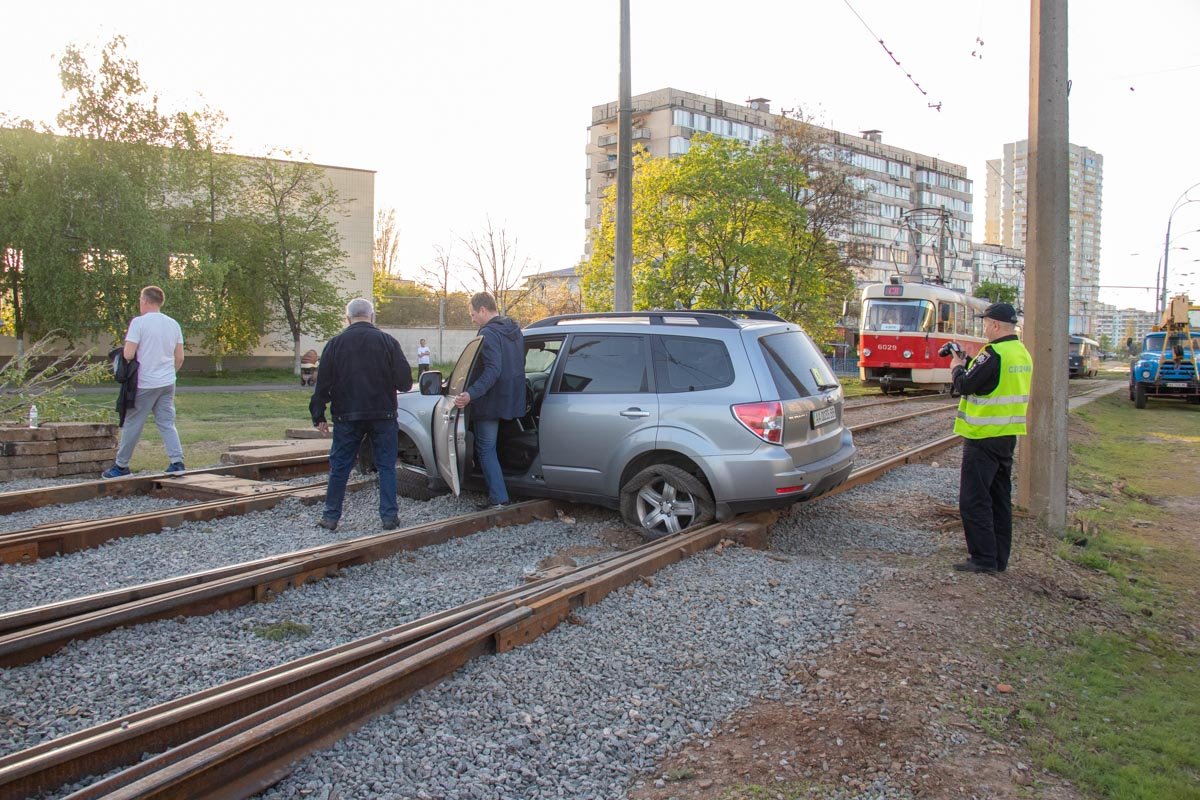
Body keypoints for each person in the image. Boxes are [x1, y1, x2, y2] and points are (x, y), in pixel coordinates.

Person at [310, 298, 413, 531]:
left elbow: (322, 385)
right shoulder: (388, 342)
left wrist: (319, 415)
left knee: (340, 467)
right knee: (386, 465)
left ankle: (330, 517)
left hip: (346, 415)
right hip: (383, 414)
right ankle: (389, 517)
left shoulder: (334, 344)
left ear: (348, 318)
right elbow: (405, 382)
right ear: (372, 316)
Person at [948, 302, 1033, 574]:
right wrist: (970, 363)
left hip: (982, 436)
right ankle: (998, 559)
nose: (984, 327)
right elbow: (991, 381)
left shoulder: (993, 352)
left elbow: (964, 385)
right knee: (999, 500)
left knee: (974, 500)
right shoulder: (1020, 353)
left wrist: (957, 366)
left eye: (985, 322)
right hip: (1006, 435)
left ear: (995, 324)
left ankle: (982, 559)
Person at [102, 286, 186, 478]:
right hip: (167, 382)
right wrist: (168, 373)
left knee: (133, 422)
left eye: (140, 300)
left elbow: (129, 354)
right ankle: (177, 462)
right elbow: (179, 357)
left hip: (145, 382)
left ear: (145, 301)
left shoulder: (138, 323)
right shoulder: (173, 324)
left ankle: (121, 465)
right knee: (166, 422)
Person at [453, 292, 525, 510]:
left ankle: (498, 498)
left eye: (473, 314)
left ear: (483, 310)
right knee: (495, 446)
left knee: (485, 448)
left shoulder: (489, 333)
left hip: (490, 401)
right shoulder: (514, 329)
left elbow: (493, 370)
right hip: (512, 398)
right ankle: (503, 489)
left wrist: (470, 394)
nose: (472, 318)